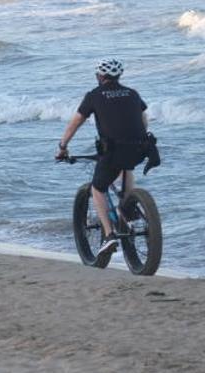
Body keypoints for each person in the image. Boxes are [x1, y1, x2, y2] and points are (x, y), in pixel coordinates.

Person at [56, 58, 160, 257]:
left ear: (99, 76)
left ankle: (109, 234)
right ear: (118, 76)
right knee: (127, 166)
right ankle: (128, 208)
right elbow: (144, 120)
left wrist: (62, 147)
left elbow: (76, 122)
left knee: (98, 188)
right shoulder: (132, 93)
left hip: (113, 151)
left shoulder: (94, 95)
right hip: (140, 149)